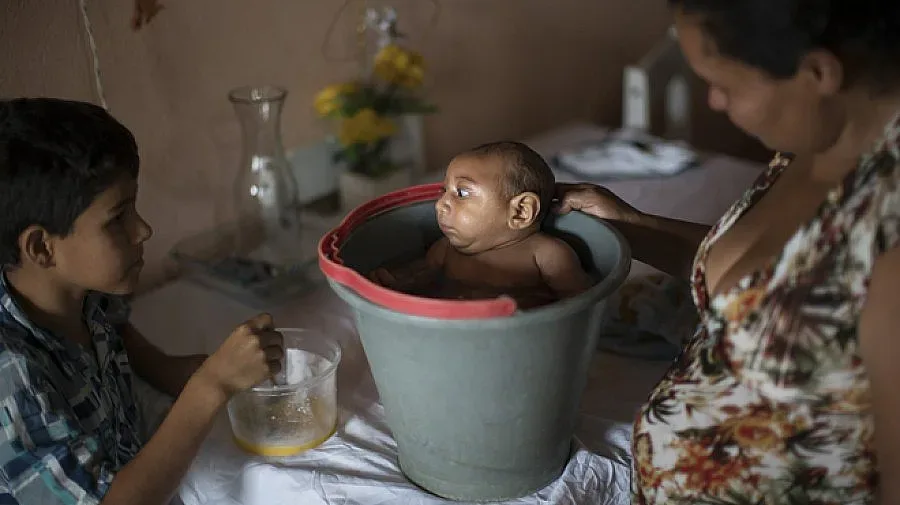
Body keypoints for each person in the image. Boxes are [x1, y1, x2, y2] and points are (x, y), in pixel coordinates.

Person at [556, 1, 900, 503]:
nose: (713, 102)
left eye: (726, 84)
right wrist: (631, 226)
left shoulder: (888, 228)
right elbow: (775, 278)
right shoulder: (813, 143)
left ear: (818, 72)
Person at [0, 98, 284, 505]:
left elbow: (138, 352)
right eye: (117, 218)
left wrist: (201, 370)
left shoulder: (89, 295)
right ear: (42, 247)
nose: (144, 229)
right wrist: (211, 386)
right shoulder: (11, 377)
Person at [373, 141, 593, 309]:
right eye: (444, 191)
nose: (440, 204)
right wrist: (394, 282)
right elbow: (419, 275)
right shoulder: (445, 250)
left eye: (462, 193)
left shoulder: (547, 255)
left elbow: (580, 305)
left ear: (520, 211)